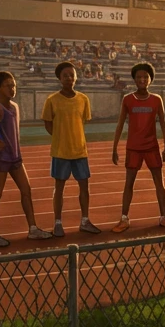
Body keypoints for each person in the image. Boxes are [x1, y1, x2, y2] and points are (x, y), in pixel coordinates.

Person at [0, 71, 53, 248]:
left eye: (13, 85)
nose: (12, 88)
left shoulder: (14, 107)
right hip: (2, 157)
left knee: (26, 190)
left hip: (16, 156)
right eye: (8, 85)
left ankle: (33, 229)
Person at [42, 62, 101, 237]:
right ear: (59, 79)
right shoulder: (52, 100)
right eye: (65, 75)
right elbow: (48, 123)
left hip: (80, 151)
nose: (69, 78)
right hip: (60, 151)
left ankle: (85, 220)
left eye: (72, 75)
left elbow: (83, 121)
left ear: (76, 77)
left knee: (84, 186)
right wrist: (60, 136)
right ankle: (58, 222)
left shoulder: (83, 99)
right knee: (59, 187)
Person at [111, 62, 165, 232]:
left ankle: (163, 216)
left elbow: (163, 124)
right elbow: (120, 124)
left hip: (152, 147)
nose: (142, 79)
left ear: (151, 79)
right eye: (139, 77)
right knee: (129, 183)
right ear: (134, 79)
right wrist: (114, 147)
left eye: (145, 77)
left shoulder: (156, 99)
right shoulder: (128, 99)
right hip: (133, 148)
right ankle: (124, 218)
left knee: (159, 182)